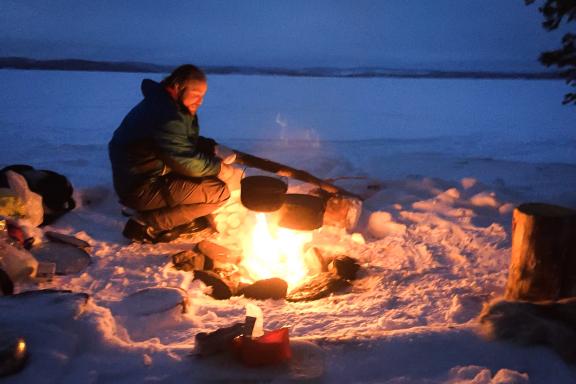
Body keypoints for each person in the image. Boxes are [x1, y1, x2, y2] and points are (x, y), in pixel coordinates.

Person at [109, 64, 235, 243]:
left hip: (139, 176)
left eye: (203, 96)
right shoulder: (168, 115)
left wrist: (211, 147)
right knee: (219, 192)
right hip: (141, 187)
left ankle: (158, 211)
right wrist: (219, 168)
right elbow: (183, 159)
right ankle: (147, 224)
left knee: (205, 175)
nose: (200, 101)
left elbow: (176, 141)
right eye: (196, 94)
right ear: (177, 87)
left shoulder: (164, 102)